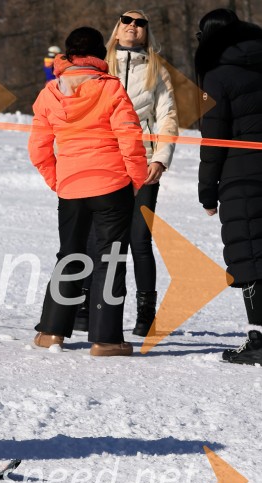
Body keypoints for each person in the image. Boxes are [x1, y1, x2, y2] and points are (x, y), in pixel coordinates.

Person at [28, 27, 148, 356]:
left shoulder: (50, 92)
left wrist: (58, 180)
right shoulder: (111, 88)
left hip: (71, 187)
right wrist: (136, 181)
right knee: (110, 259)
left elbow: (38, 149)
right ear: (100, 54)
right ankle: (106, 339)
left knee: (70, 255)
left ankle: (51, 332)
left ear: (68, 53)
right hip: (112, 185)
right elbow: (130, 140)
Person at [74, 10, 179, 337]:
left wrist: (160, 158)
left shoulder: (157, 69)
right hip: (104, 161)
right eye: (127, 21)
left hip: (143, 163)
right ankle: (85, 305)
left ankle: (146, 314)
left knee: (139, 238)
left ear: (146, 31)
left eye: (140, 22)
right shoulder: (99, 65)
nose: (133, 26)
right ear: (117, 29)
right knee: (96, 236)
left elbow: (167, 116)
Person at [195, 9, 262, 365]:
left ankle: (259, 340)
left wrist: (207, 193)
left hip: (243, 175)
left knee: (249, 254)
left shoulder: (217, 76)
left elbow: (214, 140)